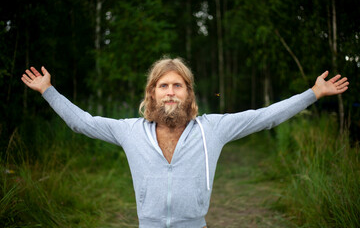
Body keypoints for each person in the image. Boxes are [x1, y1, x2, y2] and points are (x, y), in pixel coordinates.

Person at [21, 58, 349, 228]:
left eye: (178, 85)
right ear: (152, 92)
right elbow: (83, 123)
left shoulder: (214, 128)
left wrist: (313, 94)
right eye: (163, 85)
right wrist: (49, 91)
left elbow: (267, 117)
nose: (171, 91)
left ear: (188, 93)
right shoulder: (129, 131)